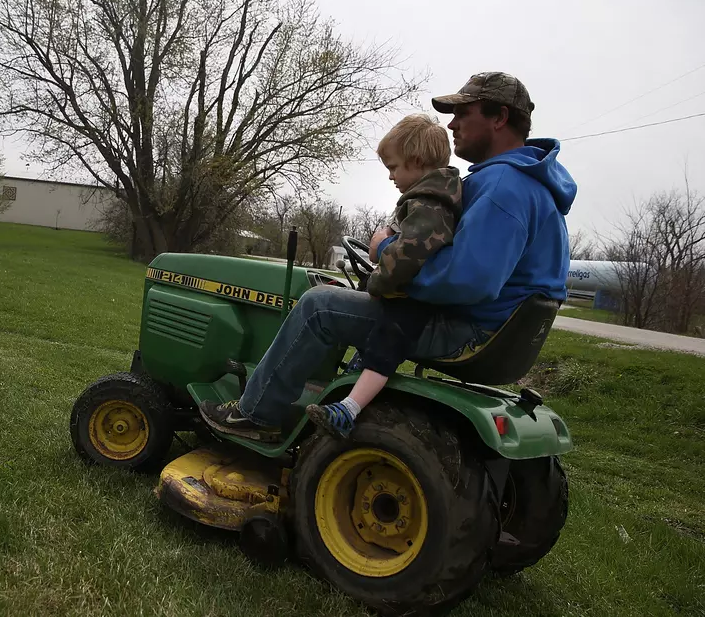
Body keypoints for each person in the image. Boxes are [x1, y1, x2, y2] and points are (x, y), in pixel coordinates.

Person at [199, 72, 577, 442]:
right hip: (491, 333)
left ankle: (254, 414)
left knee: (318, 307)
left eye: (464, 114)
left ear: (499, 118)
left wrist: (383, 257)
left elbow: (468, 279)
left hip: (465, 331)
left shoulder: (503, 187)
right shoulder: (534, 185)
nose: (452, 124)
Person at [305, 114, 462, 439]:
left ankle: (348, 409)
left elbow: (406, 258)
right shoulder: (430, 199)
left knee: (383, 346)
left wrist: (376, 284)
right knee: (373, 343)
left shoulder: (431, 205)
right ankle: (342, 388)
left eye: (393, 167)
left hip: (413, 303)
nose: (390, 176)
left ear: (417, 163)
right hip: (410, 296)